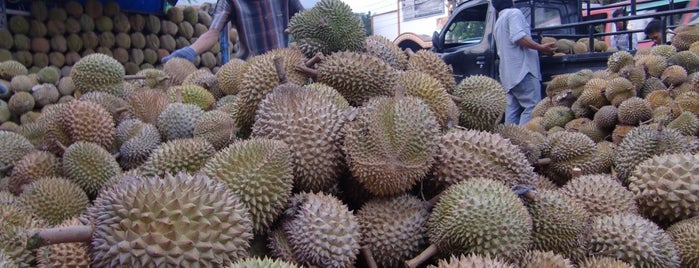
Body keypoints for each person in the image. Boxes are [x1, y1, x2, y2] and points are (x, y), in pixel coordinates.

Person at [162, 0, 305, 63]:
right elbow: (213, 33)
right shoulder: (230, 1)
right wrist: (191, 50)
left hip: (286, 65)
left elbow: (306, 21)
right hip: (249, 73)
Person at [491, 0, 555, 126]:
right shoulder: (514, 13)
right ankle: (523, 141)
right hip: (522, 71)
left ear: (496, 9)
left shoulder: (498, 22)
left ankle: (508, 142)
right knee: (532, 106)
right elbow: (518, 37)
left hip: (508, 75)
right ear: (512, 3)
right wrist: (541, 48)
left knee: (512, 110)